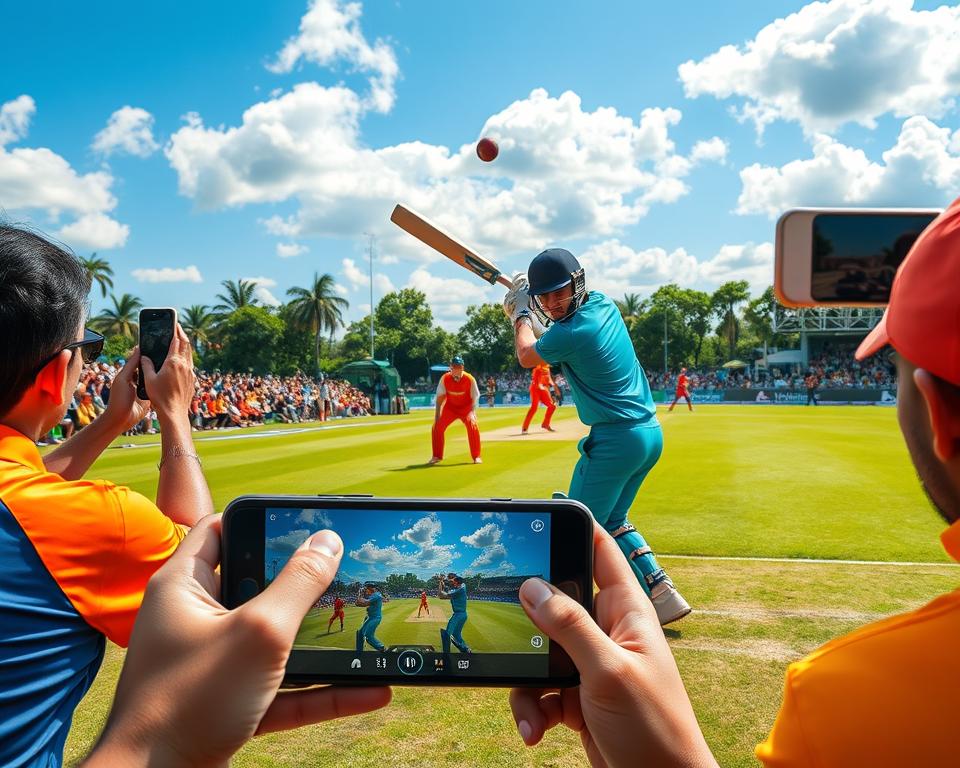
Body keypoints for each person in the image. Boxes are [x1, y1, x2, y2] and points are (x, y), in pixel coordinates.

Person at [80, 516, 710, 768]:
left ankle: (446, 649)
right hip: (418, 609)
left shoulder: (449, 589)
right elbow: (433, 584)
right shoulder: (412, 591)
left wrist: (157, 746)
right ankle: (445, 650)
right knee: (409, 634)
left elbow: (448, 584)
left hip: (437, 611)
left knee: (437, 633)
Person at [0, 224, 214, 767]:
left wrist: (112, 421)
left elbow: (20, 492)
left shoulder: (29, 499)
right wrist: (174, 415)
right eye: (86, 347)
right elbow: (198, 575)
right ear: (56, 374)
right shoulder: (101, 522)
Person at [505, 248, 690, 625]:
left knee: (576, 526)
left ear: (577, 284)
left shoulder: (571, 332)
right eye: (544, 297)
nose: (552, 304)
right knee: (613, 519)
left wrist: (520, 313)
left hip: (616, 441)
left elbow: (527, 354)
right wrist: (526, 309)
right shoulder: (603, 305)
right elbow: (553, 341)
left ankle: (565, 612)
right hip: (648, 434)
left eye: (559, 293)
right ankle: (661, 593)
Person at [428, 354, 482, 465]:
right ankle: (437, 456)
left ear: (462, 368)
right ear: (450, 368)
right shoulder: (445, 378)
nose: (456, 369)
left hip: (466, 408)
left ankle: (476, 456)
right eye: (454, 367)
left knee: (473, 425)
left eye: (458, 367)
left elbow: (475, 398)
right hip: (450, 408)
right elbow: (439, 399)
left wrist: (473, 412)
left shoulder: (470, 379)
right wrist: (437, 415)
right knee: (437, 427)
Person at [437, 572, 471, 654]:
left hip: (458, 615)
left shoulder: (458, 591)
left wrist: (441, 582)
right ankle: (466, 649)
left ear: (457, 582)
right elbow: (452, 584)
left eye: (453, 582)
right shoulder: (462, 586)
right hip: (463, 615)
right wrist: (444, 581)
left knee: (447, 634)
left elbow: (440, 595)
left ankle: (446, 655)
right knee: (456, 635)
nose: (452, 583)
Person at [522, 362, 558, 433]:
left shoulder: (547, 369)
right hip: (535, 388)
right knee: (534, 408)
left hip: (543, 389)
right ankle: (525, 428)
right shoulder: (538, 368)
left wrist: (554, 392)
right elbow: (536, 378)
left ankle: (545, 424)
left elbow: (550, 381)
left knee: (552, 406)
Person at [355, 582, 387, 653]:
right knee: (360, 633)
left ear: (371, 588)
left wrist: (360, 595)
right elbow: (359, 604)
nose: (366, 590)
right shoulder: (373, 595)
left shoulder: (376, 595)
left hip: (375, 618)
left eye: (367, 589)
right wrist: (360, 600)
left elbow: (364, 603)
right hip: (370, 618)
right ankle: (359, 651)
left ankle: (381, 648)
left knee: (368, 636)